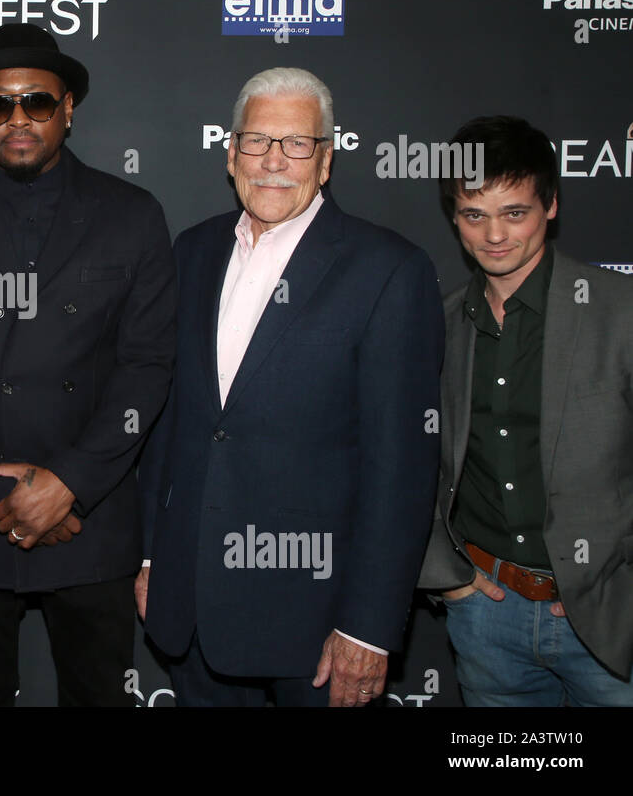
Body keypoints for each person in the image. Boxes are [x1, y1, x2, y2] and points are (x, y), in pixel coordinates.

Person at [0, 23, 176, 706]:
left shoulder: (131, 215)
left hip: (91, 517)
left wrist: (68, 481)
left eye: (37, 102)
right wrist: (0, 497)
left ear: (68, 107)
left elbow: (147, 363)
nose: (18, 119)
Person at [138, 67, 443, 707]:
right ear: (231, 153)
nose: (274, 160)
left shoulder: (389, 270)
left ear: (325, 161)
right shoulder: (191, 252)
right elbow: (169, 422)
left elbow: (401, 470)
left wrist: (369, 626)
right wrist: (151, 559)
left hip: (317, 624)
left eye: (297, 144)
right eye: (256, 141)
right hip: (192, 607)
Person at [418, 115, 633, 706]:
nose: (494, 235)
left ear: (551, 206)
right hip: (487, 619)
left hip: (613, 621)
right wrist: (449, 579)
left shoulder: (620, 312)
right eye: (474, 214)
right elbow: (411, 463)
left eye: (515, 212)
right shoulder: (440, 324)